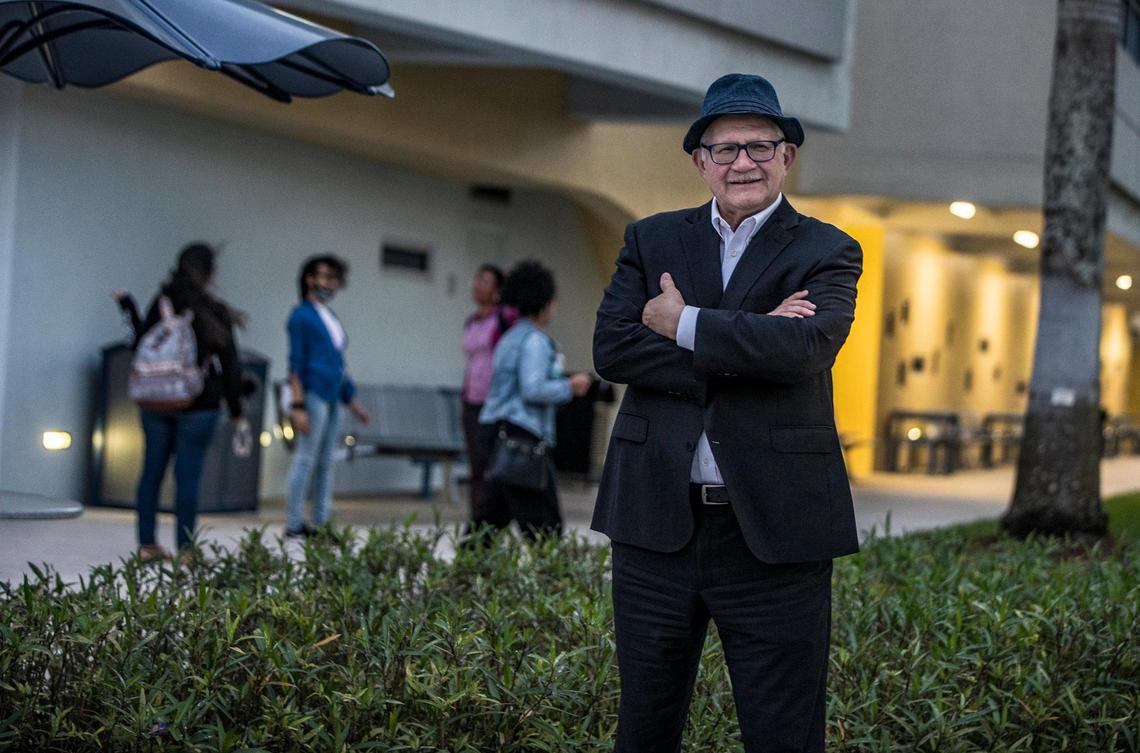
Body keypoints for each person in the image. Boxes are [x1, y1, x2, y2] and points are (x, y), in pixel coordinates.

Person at [591, 73, 863, 752]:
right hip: (656, 522)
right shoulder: (651, 239)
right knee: (644, 728)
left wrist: (681, 321)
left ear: (787, 157)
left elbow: (805, 348)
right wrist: (749, 336)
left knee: (783, 733)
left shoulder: (827, 249)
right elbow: (613, 348)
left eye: (760, 146)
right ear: (700, 161)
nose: (743, 161)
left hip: (775, 531)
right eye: (726, 148)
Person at [130, 243, 247, 563]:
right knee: (188, 476)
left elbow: (139, 342)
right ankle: (186, 550)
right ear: (210, 273)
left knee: (151, 471)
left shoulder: (161, 304)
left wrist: (128, 308)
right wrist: (236, 409)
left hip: (156, 401)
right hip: (199, 404)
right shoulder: (213, 310)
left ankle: (146, 545)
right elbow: (231, 366)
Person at [475, 260, 592, 541]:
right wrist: (570, 386)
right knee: (545, 527)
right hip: (523, 437)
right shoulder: (535, 341)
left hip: (496, 432)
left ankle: (465, 576)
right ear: (544, 303)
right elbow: (533, 388)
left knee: (487, 523)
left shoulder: (509, 337)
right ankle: (553, 580)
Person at [284, 254, 370, 538]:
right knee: (306, 458)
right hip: (313, 394)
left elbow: (338, 363)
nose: (330, 284)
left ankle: (321, 522)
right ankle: (294, 522)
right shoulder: (301, 316)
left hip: (334, 396)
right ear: (310, 279)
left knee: (325, 462)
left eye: (334, 279)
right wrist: (298, 405)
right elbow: (295, 363)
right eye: (325, 277)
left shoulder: (329, 316)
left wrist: (352, 402)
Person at [460, 263, 515, 533]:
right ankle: (477, 520)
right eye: (477, 279)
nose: (478, 285)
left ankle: (489, 524)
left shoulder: (503, 319)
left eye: (485, 281)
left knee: (490, 467)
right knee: (475, 466)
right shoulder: (472, 320)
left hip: (493, 403)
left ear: (497, 289)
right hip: (471, 400)